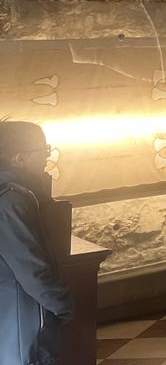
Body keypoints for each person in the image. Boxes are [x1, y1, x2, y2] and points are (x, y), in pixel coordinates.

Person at [0, 121, 74, 365]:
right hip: (24, 319)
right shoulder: (11, 201)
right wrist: (62, 305)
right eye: (43, 150)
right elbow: (32, 269)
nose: (47, 157)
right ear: (19, 159)